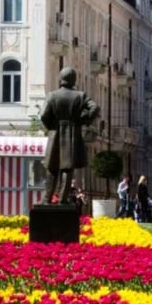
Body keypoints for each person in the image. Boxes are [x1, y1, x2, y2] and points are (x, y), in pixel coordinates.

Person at [41, 66, 100, 203]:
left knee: (52, 167)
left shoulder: (52, 95)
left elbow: (43, 115)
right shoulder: (79, 95)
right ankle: (62, 199)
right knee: (67, 168)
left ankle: (46, 199)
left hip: (55, 133)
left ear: (60, 79)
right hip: (72, 133)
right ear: (74, 80)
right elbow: (94, 107)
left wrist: (51, 127)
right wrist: (83, 119)